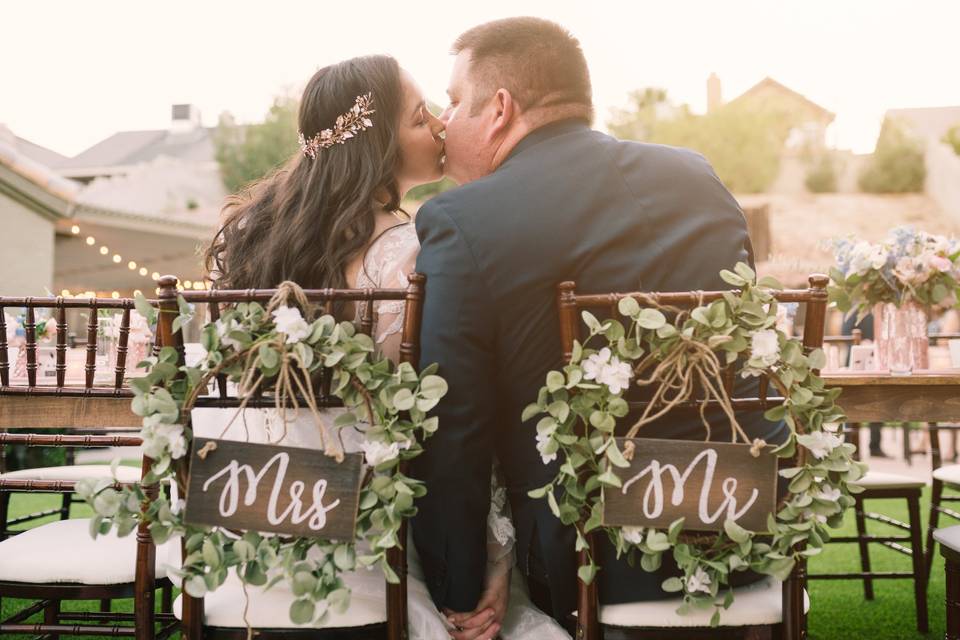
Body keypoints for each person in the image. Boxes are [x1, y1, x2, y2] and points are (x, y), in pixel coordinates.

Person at [410, 16, 776, 634]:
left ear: (499, 108)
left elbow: (454, 424)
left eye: (451, 102)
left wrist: (461, 585)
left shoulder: (463, 219)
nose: (443, 122)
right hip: (739, 530)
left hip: (585, 557)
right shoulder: (696, 176)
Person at [203, 54, 568, 640]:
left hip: (262, 506)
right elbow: (446, 418)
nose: (443, 127)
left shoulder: (257, 236)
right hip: (380, 522)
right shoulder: (411, 255)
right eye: (422, 118)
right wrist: (496, 561)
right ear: (378, 144)